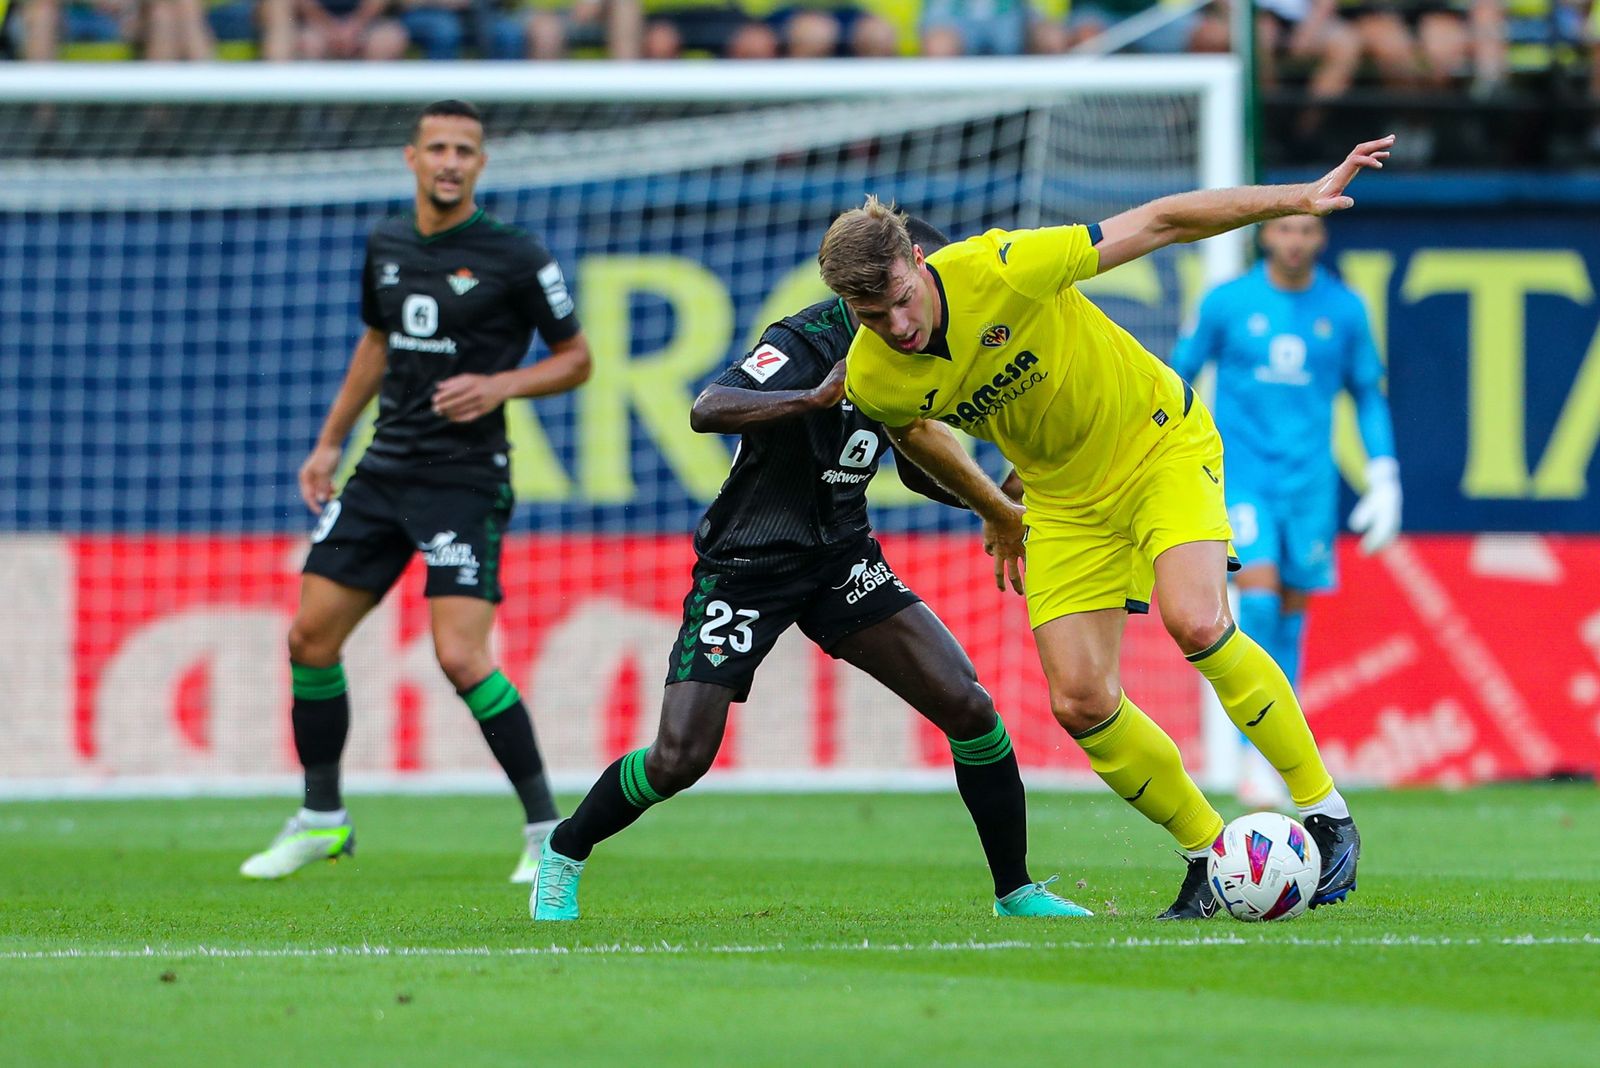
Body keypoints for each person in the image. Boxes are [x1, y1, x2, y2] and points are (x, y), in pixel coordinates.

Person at [818, 137, 1396, 918]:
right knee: (1081, 701)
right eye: (870, 315)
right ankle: (1206, 853)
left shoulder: (1006, 266)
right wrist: (997, 506)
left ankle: (1327, 815)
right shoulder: (874, 374)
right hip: (1062, 500)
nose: (896, 324)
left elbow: (1161, 221)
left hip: (1159, 443)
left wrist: (1294, 197)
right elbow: (915, 435)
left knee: (1195, 619)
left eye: (898, 298)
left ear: (917, 259)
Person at [529, 219, 1092, 923]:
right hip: (748, 565)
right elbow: (709, 407)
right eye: (878, 305)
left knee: (969, 705)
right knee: (680, 758)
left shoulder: (925, 343)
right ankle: (564, 848)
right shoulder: (806, 340)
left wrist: (996, 501)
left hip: (840, 558)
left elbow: (918, 476)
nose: (900, 316)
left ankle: (1016, 891)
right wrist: (812, 400)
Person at [241, 99, 592, 884]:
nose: (450, 161)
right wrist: (331, 440)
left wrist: (499, 383)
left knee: (461, 656)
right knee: (309, 639)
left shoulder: (515, 254)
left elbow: (577, 360)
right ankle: (323, 820)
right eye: (437, 147)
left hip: (463, 479)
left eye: (465, 149)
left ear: (480, 164)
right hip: (383, 467)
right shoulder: (387, 243)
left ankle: (545, 832)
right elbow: (376, 343)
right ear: (411, 158)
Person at [1173, 214, 1399, 808]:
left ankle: (1276, 746)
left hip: (1310, 487)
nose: (1294, 241)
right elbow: (1177, 377)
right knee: (1263, 597)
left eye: (1306, 231)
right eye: (1284, 230)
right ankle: (1257, 754)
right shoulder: (1227, 302)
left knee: (1293, 616)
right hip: (1242, 478)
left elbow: (1368, 395)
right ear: (1264, 235)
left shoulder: (1345, 309)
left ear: (1320, 238)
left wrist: (1384, 474)